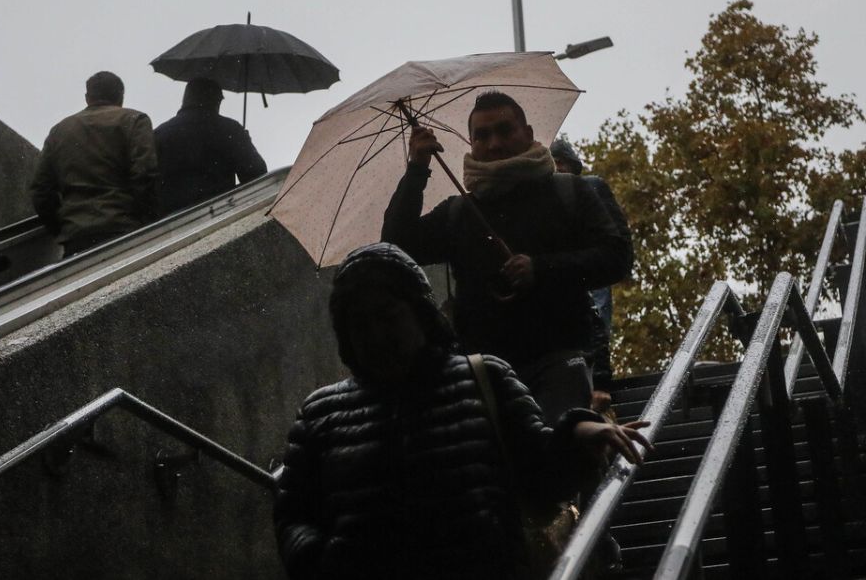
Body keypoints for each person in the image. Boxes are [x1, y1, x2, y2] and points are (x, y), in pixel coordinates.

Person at [273, 242, 651, 580]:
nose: (375, 335)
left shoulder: (484, 377)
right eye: (359, 324)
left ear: (421, 313)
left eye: (387, 316)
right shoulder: (319, 414)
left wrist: (577, 434)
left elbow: (542, 477)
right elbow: (293, 514)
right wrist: (318, 561)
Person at [382, 91, 633, 423]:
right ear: (471, 143)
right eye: (482, 135)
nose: (494, 143)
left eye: (505, 130)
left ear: (528, 134)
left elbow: (617, 257)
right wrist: (417, 169)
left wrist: (541, 269)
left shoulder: (570, 192)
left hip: (561, 360)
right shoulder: (459, 212)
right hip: (484, 374)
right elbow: (397, 246)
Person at [30, 71, 158, 258]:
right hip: (123, 229)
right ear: (121, 96)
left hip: (76, 236)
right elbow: (145, 174)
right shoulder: (135, 121)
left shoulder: (60, 130)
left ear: (87, 97)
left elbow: (40, 190)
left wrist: (62, 226)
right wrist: (149, 219)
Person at [550, 138, 631, 392]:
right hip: (567, 271)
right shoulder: (546, 200)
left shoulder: (591, 186)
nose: (556, 168)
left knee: (596, 314)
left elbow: (618, 236)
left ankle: (600, 380)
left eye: (559, 163)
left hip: (592, 267)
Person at [153, 78, 267, 213]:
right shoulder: (229, 129)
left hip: (170, 222)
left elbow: (148, 182)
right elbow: (256, 173)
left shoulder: (160, 133)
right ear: (216, 100)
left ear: (185, 100)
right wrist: (242, 140)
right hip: (216, 215)